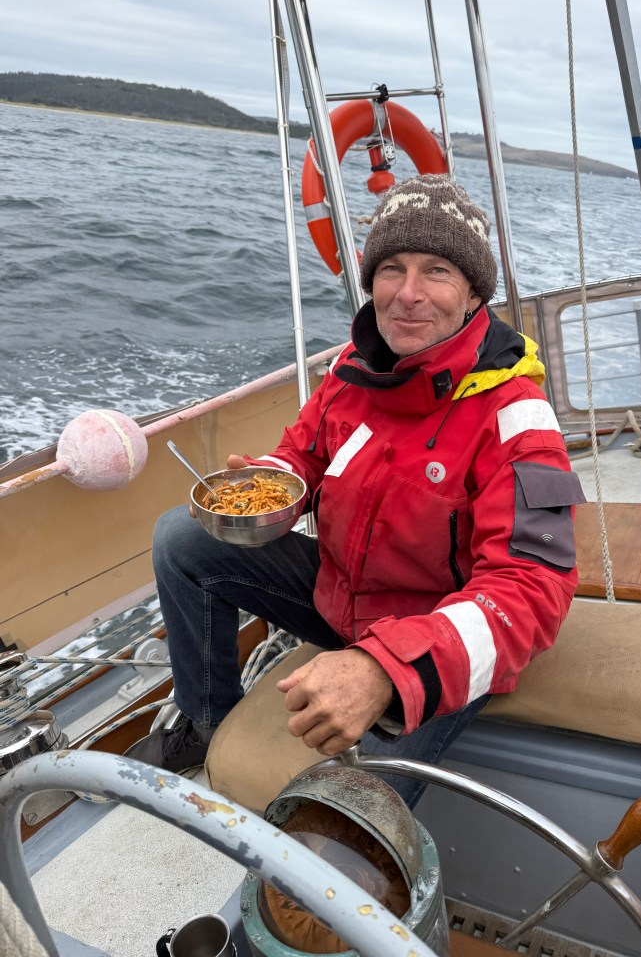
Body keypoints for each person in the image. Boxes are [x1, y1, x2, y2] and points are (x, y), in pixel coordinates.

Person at [126, 173, 584, 807]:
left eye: (437, 271)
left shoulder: (518, 417)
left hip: (434, 641)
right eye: (392, 269)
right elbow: (305, 453)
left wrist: (384, 667)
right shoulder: (353, 369)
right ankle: (206, 723)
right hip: (339, 599)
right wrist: (271, 483)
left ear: (475, 293)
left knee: (344, 818)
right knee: (182, 538)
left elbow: (533, 588)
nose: (408, 294)